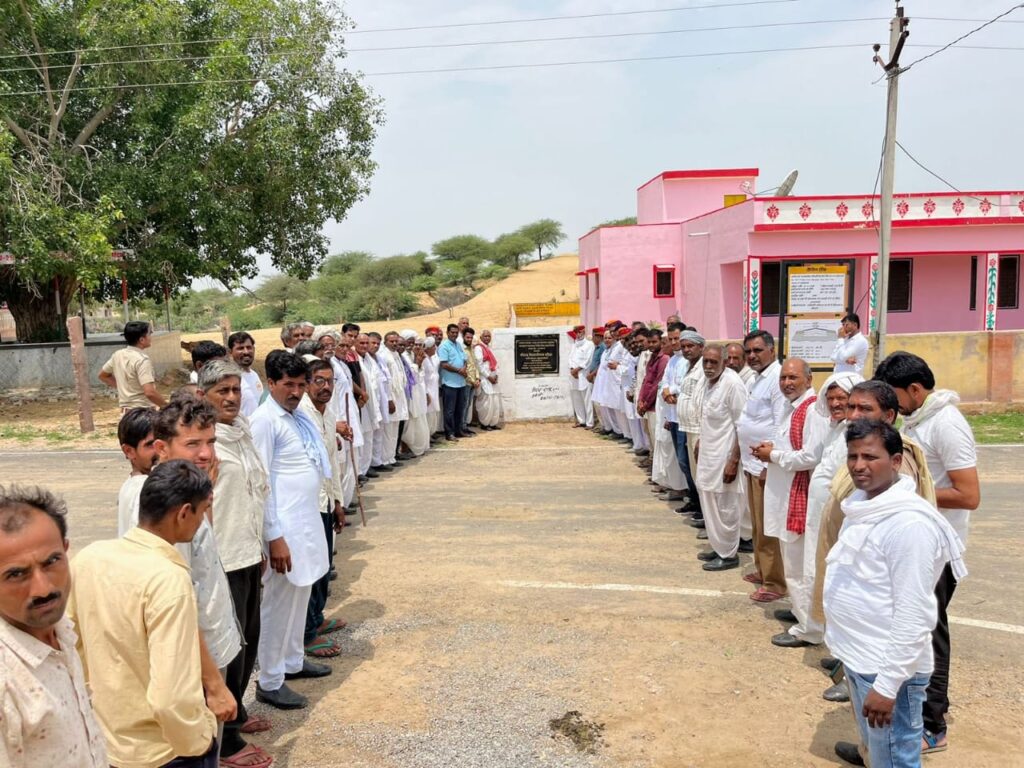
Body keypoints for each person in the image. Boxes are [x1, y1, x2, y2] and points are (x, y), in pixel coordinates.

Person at [824, 420, 966, 768]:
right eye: (853, 456)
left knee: (896, 759)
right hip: (861, 656)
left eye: (870, 457)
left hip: (887, 670)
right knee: (880, 752)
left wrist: (887, 687)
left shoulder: (908, 526)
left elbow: (913, 614)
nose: (859, 465)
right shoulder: (864, 504)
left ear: (897, 461)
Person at [70, 461, 220, 767]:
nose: (202, 521)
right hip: (164, 751)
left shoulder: (89, 558)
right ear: (183, 513)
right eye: (203, 511)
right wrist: (200, 740)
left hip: (110, 744)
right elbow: (170, 698)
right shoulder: (169, 580)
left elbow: (70, 646)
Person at [873, 351, 979, 754]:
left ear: (915, 389)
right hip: (913, 542)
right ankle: (906, 715)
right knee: (908, 633)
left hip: (936, 550)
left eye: (895, 396)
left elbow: (969, 495)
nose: (892, 405)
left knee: (929, 636)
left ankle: (932, 726)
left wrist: (909, 491)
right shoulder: (919, 419)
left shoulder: (947, 423)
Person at [196, 361, 275, 767]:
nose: (231, 398)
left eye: (235, 390)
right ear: (203, 395)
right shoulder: (203, 443)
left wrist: (261, 543)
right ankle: (224, 740)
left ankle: (237, 711)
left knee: (250, 640)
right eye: (221, 391)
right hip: (221, 558)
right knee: (229, 649)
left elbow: (255, 492)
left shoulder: (241, 433)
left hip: (246, 551)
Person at [0, 485, 107, 768]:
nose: (43, 589)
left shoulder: (61, 631)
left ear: (66, 550)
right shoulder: (6, 681)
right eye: (16, 574)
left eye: (52, 562)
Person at [250, 351, 333, 710]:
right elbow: (261, 482)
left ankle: (292, 661)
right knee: (278, 603)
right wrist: (274, 536)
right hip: (283, 528)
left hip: (305, 520)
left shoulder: (297, 418)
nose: (296, 392)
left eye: (301, 384)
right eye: (288, 385)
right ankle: (269, 680)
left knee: (301, 592)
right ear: (271, 383)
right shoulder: (264, 421)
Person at [753, 358, 827, 638]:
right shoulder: (791, 407)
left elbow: (810, 457)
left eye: (793, 378)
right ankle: (799, 610)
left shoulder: (813, 410)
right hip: (785, 495)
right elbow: (790, 445)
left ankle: (809, 629)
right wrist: (771, 449)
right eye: (783, 378)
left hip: (799, 496)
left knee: (799, 566)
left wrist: (772, 455)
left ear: (808, 380)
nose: (786, 383)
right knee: (792, 561)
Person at [298, 359, 346, 661]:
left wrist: (338, 502)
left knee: (324, 565)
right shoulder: (302, 415)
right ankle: (306, 634)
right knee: (312, 569)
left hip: (325, 500)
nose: (325, 387)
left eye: (330, 381)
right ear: (307, 384)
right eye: (319, 380)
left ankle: (316, 618)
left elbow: (331, 463)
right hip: (308, 504)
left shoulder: (327, 414)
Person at [736, 330, 787, 602]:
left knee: (768, 526)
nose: (752, 356)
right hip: (751, 463)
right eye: (749, 352)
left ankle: (775, 582)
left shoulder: (777, 380)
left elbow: (780, 424)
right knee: (757, 523)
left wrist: (770, 465)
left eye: (757, 350)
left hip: (765, 466)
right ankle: (763, 569)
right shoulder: (756, 379)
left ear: (771, 350)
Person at [693, 345, 747, 571]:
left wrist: (734, 461)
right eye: (705, 361)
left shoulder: (733, 384)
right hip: (709, 455)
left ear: (724, 363)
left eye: (713, 362)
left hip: (725, 457)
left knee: (726, 506)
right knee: (710, 502)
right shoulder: (706, 382)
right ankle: (718, 546)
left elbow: (742, 426)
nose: (708, 366)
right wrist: (700, 441)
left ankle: (728, 554)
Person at [99, 320, 166, 410]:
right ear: (142, 340)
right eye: (149, 334)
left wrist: (123, 388)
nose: (151, 337)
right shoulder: (142, 360)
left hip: (126, 413)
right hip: (142, 412)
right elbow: (150, 392)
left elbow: (103, 375)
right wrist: (167, 407)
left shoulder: (118, 355)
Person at [676, 330, 706, 519]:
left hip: (698, 428)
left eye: (690, 346)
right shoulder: (688, 366)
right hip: (687, 426)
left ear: (701, 347)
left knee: (701, 473)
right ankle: (699, 507)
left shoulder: (704, 368)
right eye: (684, 347)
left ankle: (704, 512)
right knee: (693, 471)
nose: (686, 350)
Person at [116, 407, 159, 536]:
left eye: (162, 441)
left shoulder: (132, 485)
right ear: (129, 451)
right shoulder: (145, 490)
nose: (159, 450)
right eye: (150, 444)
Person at [438, 324, 470, 441]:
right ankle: (449, 433)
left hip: (461, 383)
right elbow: (444, 364)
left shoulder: (458, 345)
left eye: (456, 332)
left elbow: (465, 360)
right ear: (447, 333)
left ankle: (458, 431)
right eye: (452, 332)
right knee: (449, 410)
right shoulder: (444, 346)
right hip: (449, 383)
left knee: (459, 409)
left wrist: (464, 368)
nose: (454, 334)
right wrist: (459, 371)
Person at [228, 332, 264, 418]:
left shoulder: (254, 374)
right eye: (240, 348)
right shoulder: (230, 378)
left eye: (249, 347)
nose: (246, 352)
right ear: (230, 352)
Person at [567, 324, 594, 428]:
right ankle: (581, 420)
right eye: (576, 332)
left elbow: (588, 360)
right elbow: (570, 358)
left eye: (580, 332)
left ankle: (590, 423)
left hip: (583, 375)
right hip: (574, 376)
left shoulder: (589, 344)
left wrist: (577, 370)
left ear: (584, 332)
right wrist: (572, 370)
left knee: (586, 399)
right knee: (576, 399)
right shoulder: (575, 344)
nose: (578, 334)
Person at [474, 329, 502, 430]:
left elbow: (495, 363)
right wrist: (489, 376)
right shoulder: (478, 348)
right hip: (485, 379)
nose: (487, 338)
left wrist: (496, 375)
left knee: (495, 402)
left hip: (493, 379)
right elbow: (479, 365)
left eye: (489, 336)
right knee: (486, 403)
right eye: (485, 336)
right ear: (481, 337)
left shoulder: (490, 348)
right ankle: (485, 424)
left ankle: (493, 423)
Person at [461, 327, 481, 434]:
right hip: (466, 382)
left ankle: (464, 426)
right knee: (464, 405)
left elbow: (475, 365)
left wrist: (477, 378)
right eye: (467, 337)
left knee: (468, 404)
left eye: (471, 337)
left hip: (473, 382)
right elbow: (464, 368)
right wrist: (472, 381)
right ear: (463, 337)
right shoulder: (461, 349)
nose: (469, 339)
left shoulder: (472, 349)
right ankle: (462, 427)